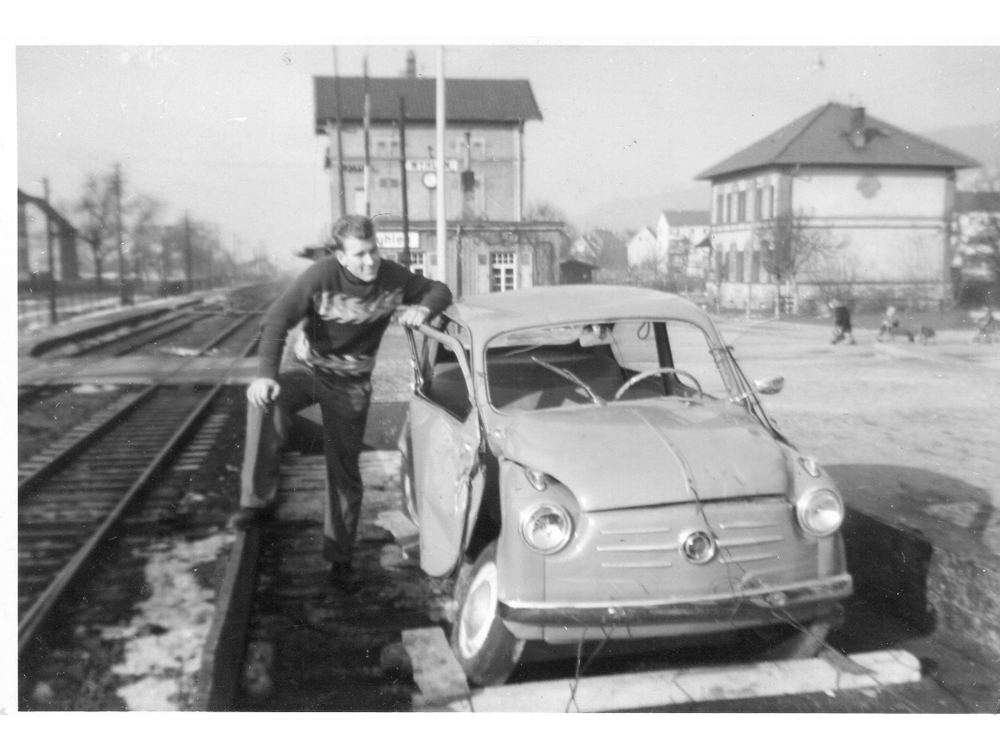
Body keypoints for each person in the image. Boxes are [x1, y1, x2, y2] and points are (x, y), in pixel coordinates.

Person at [230, 215, 453, 592]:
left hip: (351, 385)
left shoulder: (393, 278)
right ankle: (256, 503)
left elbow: (439, 288)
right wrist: (267, 374)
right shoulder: (319, 277)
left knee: (344, 471)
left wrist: (424, 308)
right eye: (360, 255)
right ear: (341, 257)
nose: (370, 262)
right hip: (308, 371)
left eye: (374, 251)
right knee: (264, 403)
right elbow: (277, 320)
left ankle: (340, 558)